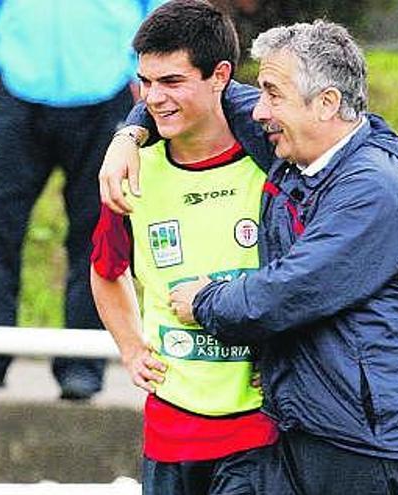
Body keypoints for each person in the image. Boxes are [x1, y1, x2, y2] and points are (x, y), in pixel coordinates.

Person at [103, 20, 398, 495]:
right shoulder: (299, 154)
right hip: (318, 436)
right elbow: (204, 93)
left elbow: (290, 290)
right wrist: (129, 133)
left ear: (327, 103)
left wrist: (205, 301)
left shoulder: (375, 189)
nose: (259, 111)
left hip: (381, 451)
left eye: (273, 95)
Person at [89, 1, 278, 493]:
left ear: (220, 76)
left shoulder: (274, 171)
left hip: (260, 433)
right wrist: (131, 349)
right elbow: (106, 270)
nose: (155, 98)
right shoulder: (130, 171)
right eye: (145, 83)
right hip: (169, 434)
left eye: (172, 82)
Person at [0, 0, 163, 400]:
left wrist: (136, 72)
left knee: (98, 232)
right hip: (18, 93)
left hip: (106, 95)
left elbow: (160, 9)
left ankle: (83, 364)